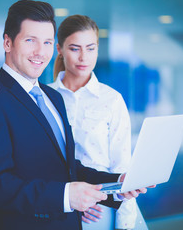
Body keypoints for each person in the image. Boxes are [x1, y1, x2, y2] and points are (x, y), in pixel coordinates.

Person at [0, 0, 150, 230]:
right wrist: (66, 196)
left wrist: (116, 184)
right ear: (7, 43)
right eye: (31, 41)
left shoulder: (53, 97)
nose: (41, 52)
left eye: (47, 42)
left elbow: (68, 168)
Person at [49, 14, 137, 230]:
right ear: (59, 49)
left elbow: (121, 164)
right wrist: (71, 198)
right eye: (74, 48)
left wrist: (126, 224)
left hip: (100, 212)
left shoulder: (112, 100)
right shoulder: (45, 97)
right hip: (55, 206)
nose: (83, 57)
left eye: (90, 48)